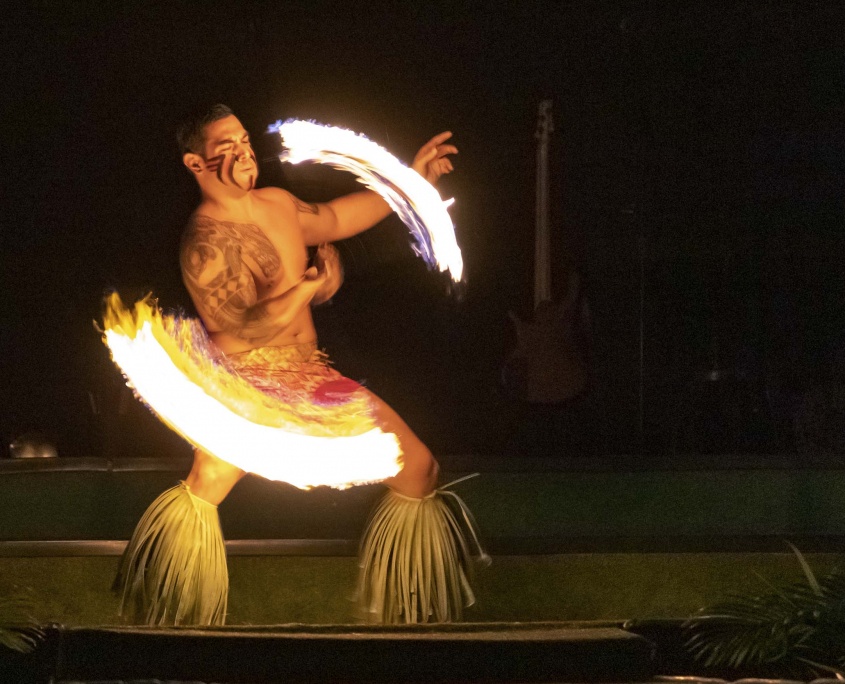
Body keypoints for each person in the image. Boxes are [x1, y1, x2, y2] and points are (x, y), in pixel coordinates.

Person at [115, 104, 482, 626]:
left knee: (418, 469)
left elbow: (337, 217)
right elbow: (243, 328)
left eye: (244, 140)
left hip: (311, 379)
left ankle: (409, 623)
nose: (244, 153)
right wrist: (307, 287)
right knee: (204, 489)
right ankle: (169, 624)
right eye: (227, 148)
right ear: (196, 165)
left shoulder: (278, 204)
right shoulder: (204, 243)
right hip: (245, 392)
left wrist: (410, 181)